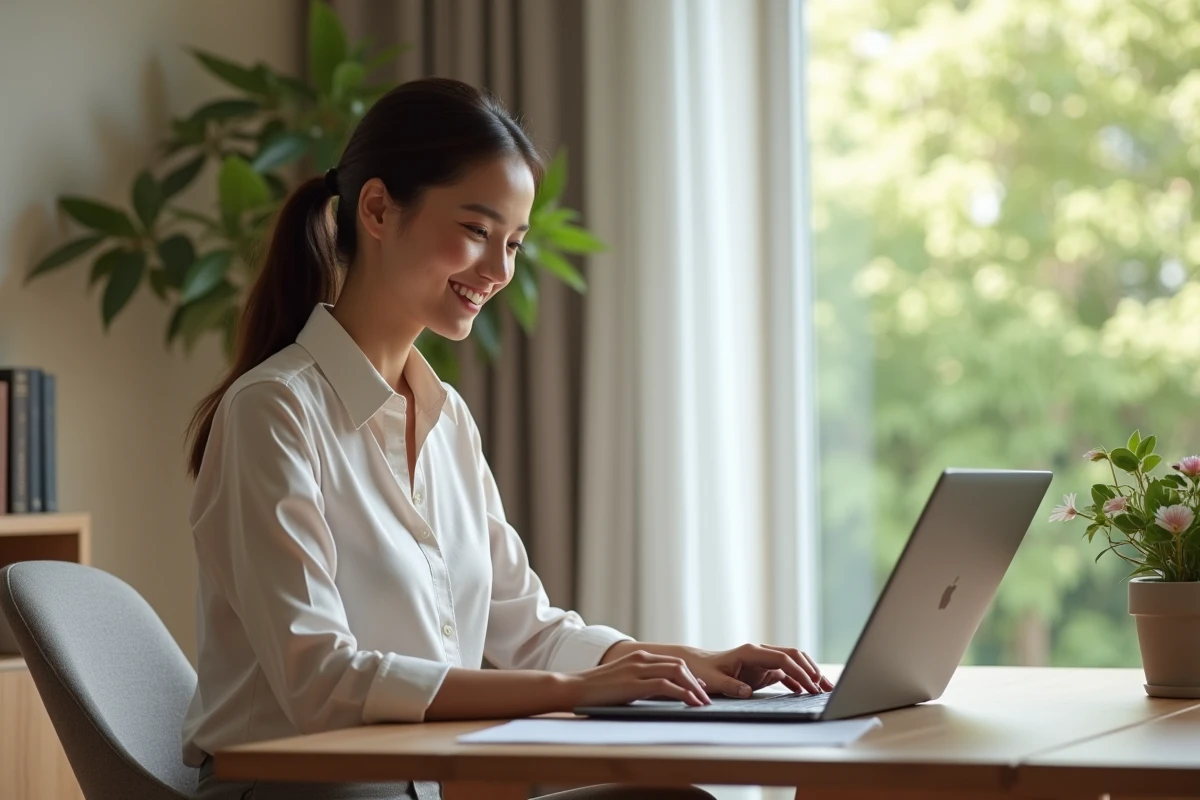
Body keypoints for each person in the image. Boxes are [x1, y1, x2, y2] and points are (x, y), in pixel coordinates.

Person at [182, 77, 832, 800]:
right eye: (475, 231)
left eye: (514, 243)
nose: (498, 271)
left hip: (417, 786)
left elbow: (526, 625)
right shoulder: (274, 411)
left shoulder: (446, 417)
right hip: (302, 791)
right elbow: (320, 681)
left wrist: (688, 661)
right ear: (376, 208)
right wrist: (576, 687)